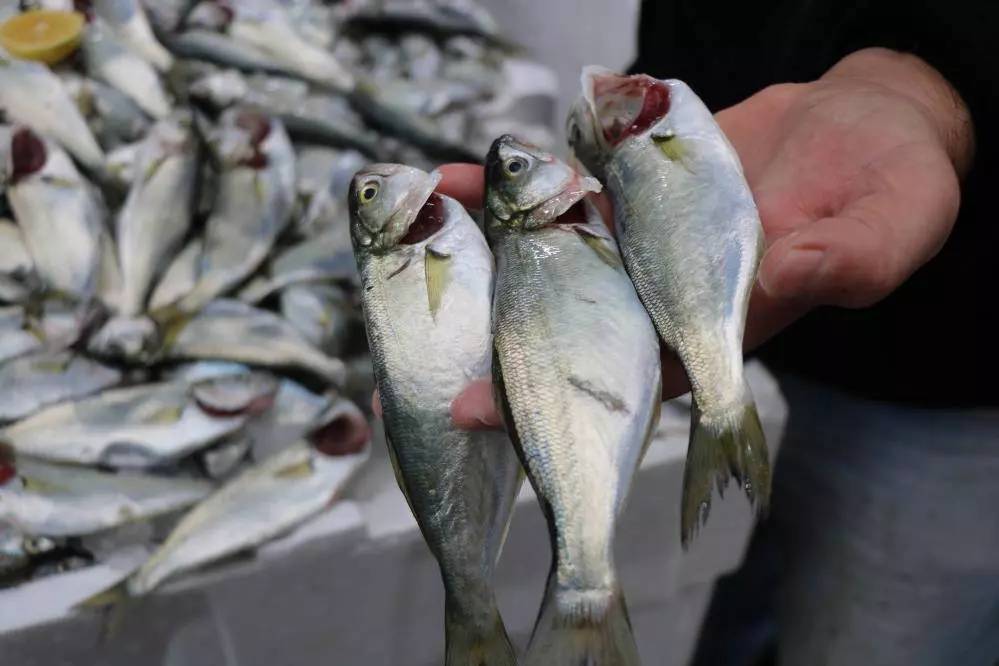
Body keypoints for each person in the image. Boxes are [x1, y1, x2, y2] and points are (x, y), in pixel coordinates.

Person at [376, 1, 999, 663]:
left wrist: (922, 86)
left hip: (947, 372)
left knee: (876, 637)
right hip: (735, 267)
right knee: (722, 599)